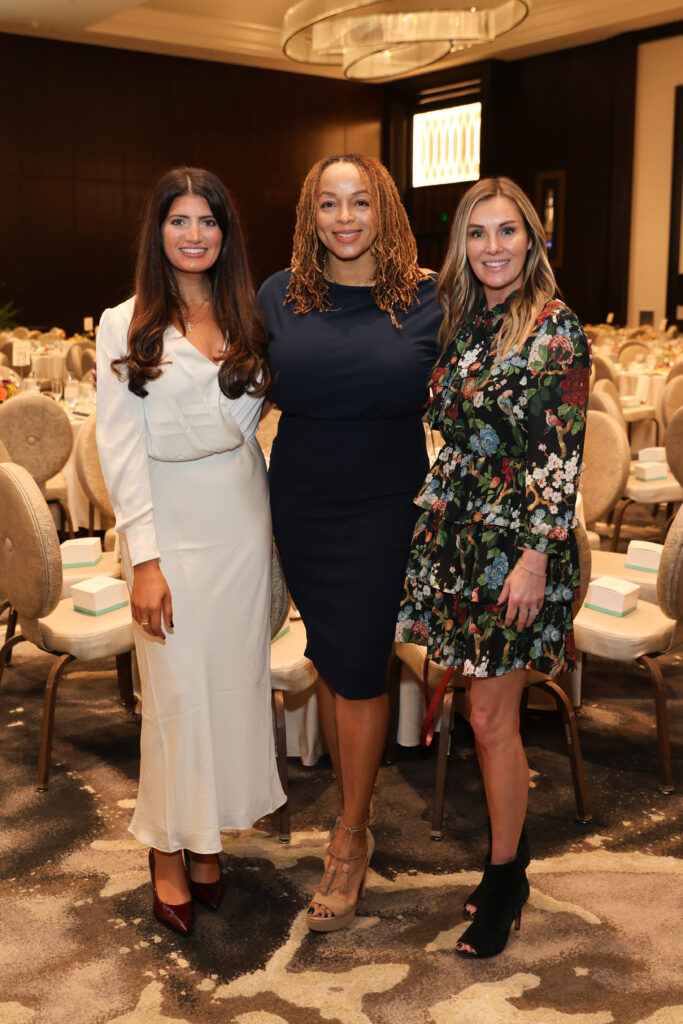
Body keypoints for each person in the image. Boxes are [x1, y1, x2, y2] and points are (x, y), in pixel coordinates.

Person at [396, 176, 590, 959]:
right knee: (480, 715)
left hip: (516, 548)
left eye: (507, 230)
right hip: (460, 539)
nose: (492, 247)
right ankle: (509, 855)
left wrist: (535, 558)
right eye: (476, 233)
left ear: (532, 238)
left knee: (488, 719)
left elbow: (560, 457)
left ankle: (506, 878)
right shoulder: (464, 319)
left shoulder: (553, 328)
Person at [96, 167, 284, 936]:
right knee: (174, 697)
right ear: (158, 230)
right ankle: (166, 849)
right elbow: (118, 448)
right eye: (180, 220)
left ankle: (209, 839)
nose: (195, 234)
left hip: (239, 516)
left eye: (208, 220)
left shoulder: (249, 315)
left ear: (224, 233)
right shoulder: (124, 322)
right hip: (168, 525)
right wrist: (144, 559)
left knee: (232, 688)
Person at [259, 154, 442, 932]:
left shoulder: (429, 298)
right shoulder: (277, 295)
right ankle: (350, 806)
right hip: (302, 503)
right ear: (311, 215)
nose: (344, 218)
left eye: (359, 202)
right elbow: (227, 381)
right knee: (333, 663)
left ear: (383, 211)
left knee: (360, 669)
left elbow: (488, 369)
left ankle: (351, 834)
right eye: (328, 204)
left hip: (384, 506)